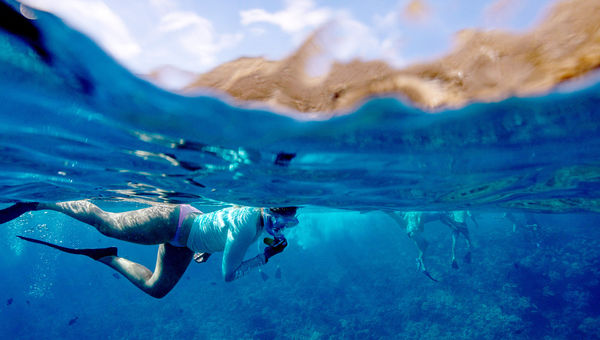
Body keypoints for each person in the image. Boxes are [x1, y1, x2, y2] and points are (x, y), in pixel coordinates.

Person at [0, 201, 298, 298]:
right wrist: (265, 257)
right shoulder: (248, 226)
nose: (281, 229)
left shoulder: (257, 220)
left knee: (157, 288)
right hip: (173, 223)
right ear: (269, 210)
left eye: (287, 224)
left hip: (187, 239)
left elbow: (223, 227)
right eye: (279, 222)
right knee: (106, 223)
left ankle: (107, 256)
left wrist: (208, 246)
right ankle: (39, 203)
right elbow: (228, 276)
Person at [385, 211, 441, 282]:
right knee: (424, 246)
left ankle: (420, 262)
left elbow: (403, 225)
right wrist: (421, 226)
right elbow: (421, 218)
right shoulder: (415, 212)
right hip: (415, 232)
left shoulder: (407, 215)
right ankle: (422, 265)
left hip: (411, 234)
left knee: (425, 245)